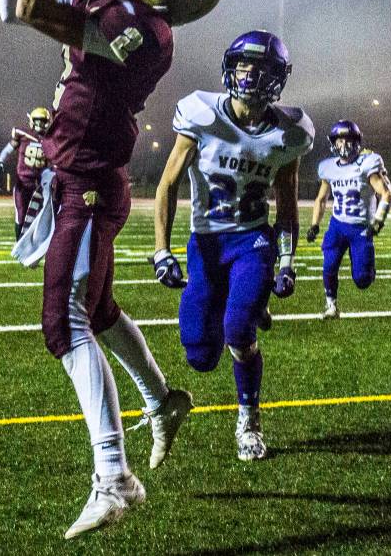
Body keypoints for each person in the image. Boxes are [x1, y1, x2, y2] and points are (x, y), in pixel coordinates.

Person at [0, 0, 227, 538]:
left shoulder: (146, 30)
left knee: (61, 321)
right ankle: (161, 401)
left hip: (91, 185)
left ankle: (114, 475)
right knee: (94, 310)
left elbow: (35, 6)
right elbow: (20, 6)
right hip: (79, 176)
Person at [153, 30, 313, 462]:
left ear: (277, 77)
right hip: (205, 242)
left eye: (261, 69)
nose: (250, 75)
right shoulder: (202, 114)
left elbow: (286, 205)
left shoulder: (288, 132)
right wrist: (162, 250)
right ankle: (245, 300)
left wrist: (286, 261)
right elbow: (168, 183)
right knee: (201, 355)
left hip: (252, 239)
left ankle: (249, 418)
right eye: (244, 65)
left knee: (237, 331)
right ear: (230, 67)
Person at [307, 120, 391, 318]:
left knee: (362, 280)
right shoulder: (328, 167)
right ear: (333, 143)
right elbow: (321, 199)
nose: (343, 145)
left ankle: (367, 269)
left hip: (361, 227)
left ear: (357, 142)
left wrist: (378, 221)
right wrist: (314, 225)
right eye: (339, 141)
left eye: (348, 140)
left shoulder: (366, 164)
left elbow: (386, 194)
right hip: (337, 225)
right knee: (329, 265)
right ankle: (331, 306)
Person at [0, 107, 52, 239]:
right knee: (21, 214)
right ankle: (19, 242)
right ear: (31, 121)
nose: (39, 124)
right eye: (37, 121)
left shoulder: (50, 139)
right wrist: (0, 162)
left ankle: (35, 243)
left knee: (40, 215)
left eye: (42, 121)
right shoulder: (23, 134)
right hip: (23, 182)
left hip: (40, 185)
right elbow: (8, 149)